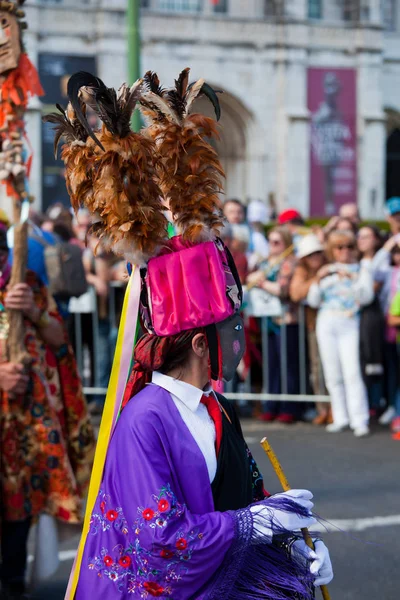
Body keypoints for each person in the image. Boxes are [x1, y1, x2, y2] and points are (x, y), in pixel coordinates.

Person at [49, 69, 333, 600]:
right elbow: (162, 545)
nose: (239, 334)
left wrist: (289, 543)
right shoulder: (143, 421)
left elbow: (246, 493)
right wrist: (255, 528)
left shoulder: (216, 406)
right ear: (199, 342)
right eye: (230, 325)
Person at [0, 228, 95, 599]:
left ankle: (13, 578)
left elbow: (59, 338)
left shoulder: (29, 284)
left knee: (22, 498)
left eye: (2, 257)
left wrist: (33, 311)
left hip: (26, 418)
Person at [307, 230, 373, 437]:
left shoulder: (362, 269)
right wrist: (318, 279)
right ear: (333, 250)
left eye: (349, 246)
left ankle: (359, 419)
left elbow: (367, 296)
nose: (345, 251)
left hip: (349, 322)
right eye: (340, 247)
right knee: (332, 373)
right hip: (327, 322)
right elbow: (313, 300)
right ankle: (341, 417)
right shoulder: (326, 270)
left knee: (352, 372)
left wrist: (353, 277)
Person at [247, 226, 300, 423]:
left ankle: (289, 406)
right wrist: (260, 280)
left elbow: (282, 289)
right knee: (271, 364)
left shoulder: (289, 262)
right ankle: (271, 404)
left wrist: (262, 283)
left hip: (286, 319)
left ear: (286, 243)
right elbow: (250, 277)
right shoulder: (265, 261)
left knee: (288, 365)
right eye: (270, 241)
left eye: (277, 242)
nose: (272, 245)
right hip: (268, 320)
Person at [289, 234, 330, 425]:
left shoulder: (331, 265)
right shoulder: (302, 270)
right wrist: (316, 279)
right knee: (317, 367)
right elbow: (295, 293)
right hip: (315, 325)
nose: (315, 257)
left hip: (338, 321)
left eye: (318, 253)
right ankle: (323, 408)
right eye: (311, 254)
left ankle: (336, 408)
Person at [357, 226, 385, 416]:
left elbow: (373, 288)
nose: (362, 240)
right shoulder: (357, 261)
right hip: (356, 316)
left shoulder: (381, 260)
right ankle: (368, 402)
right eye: (360, 237)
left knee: (375, 357)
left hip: (376, 313)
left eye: (366, 237)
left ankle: (377, 402)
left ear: (376, 239)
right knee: (362, 359)